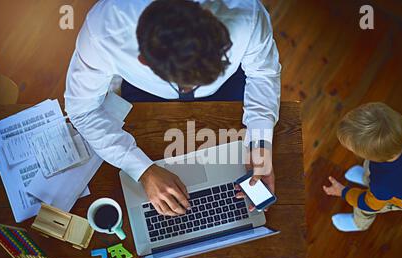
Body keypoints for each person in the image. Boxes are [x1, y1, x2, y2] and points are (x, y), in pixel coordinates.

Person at [64, 0, 281, 216]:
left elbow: (263, 74)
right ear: (143, 60)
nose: (190, 91)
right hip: (147, 94)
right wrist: (143, 170)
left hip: (228, 85)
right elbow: (82, 110)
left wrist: (261, 144)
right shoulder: (103, 32)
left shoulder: (247, 12)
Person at [323, 102, 402, 232]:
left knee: (363, 206)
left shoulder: (383, 184)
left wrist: (343, 192)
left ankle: (359, 223)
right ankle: (366, 180)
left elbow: (369, 204)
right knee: (370, 169)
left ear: (373, 156)